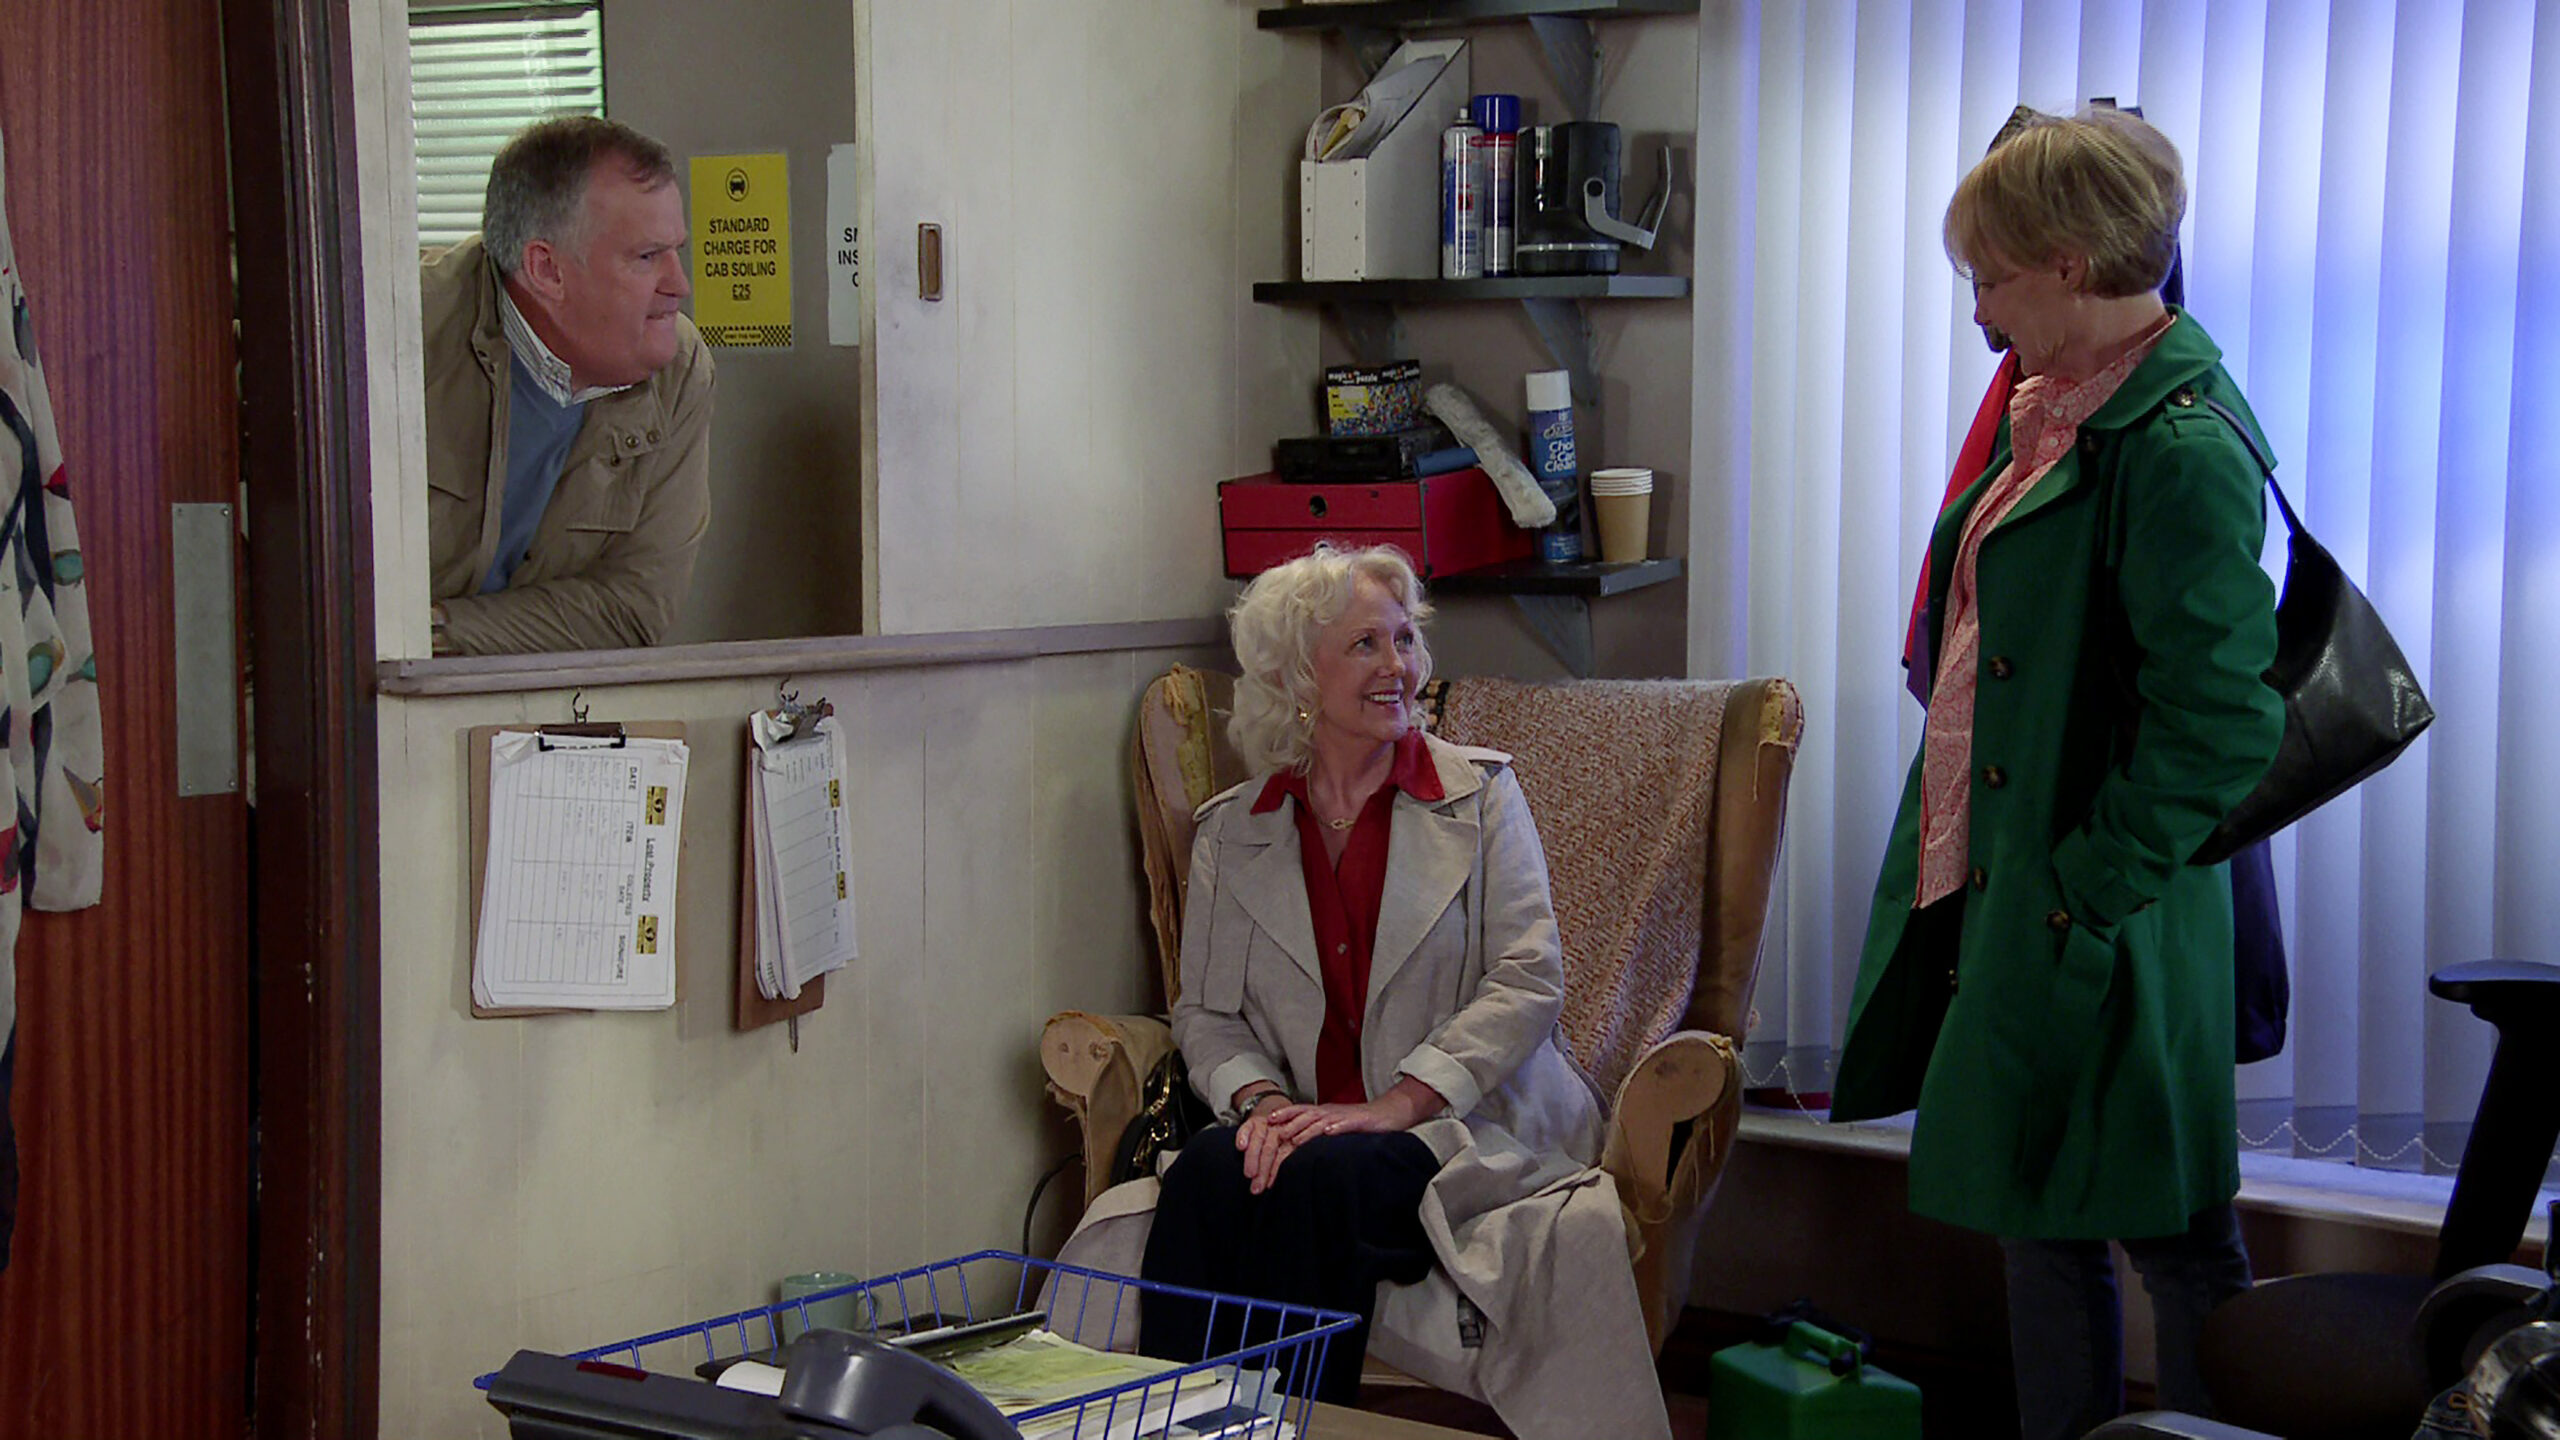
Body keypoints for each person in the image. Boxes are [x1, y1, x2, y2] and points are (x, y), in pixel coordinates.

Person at [1829, 108, 2285, 1440]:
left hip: (2111, 910)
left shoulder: (2178, 445)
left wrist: (2083, 889)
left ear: (2072, 262)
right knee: (2038, 1214)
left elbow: (2220, 725)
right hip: (2018, 879)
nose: (1977, 311)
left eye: (1992, 276)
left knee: (2176, 1233)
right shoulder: (2058, 410)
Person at [1137, 545, 1669, 1440]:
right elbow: (1206, 1014)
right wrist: (1262, 1105)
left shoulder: (1484, 797)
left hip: (1462, 1126)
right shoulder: (1236, 829)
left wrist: (1397, 1103)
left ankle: (1295, 1430)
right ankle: (1165, 1426)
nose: (1402, 668)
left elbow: (1529, 978)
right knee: (1204, 1175)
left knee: (1322, 1182)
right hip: (1304, 1124)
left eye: (1404, 641)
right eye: (1366, 647)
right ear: (1298, 677)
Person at [420, 116, 714, 655]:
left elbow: (634, 608)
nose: (679, 285)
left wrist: (431, 632)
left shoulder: (680, 366)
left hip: (535, 712)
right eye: (647, 257)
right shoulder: (392, 333)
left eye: (676, 251)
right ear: (547, 270)